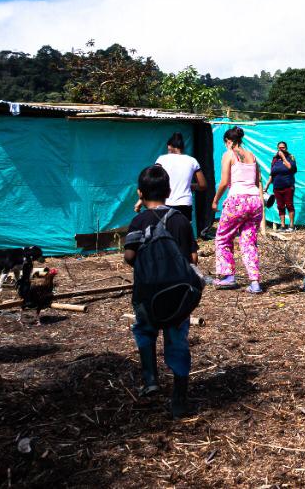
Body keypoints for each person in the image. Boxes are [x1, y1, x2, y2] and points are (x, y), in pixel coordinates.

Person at [124, 163, 197, 418]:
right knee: (177, 340)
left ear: (139, 193)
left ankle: (150, 379)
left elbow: (129, 256)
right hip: (177, 296)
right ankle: (178, 398)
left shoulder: (137, 220)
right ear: (168, 191)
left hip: (146, 294)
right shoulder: (180, 220)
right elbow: (193, 260)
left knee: (145, 330)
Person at [211, 127, 264, 294]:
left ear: (229, 141)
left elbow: (224, 182)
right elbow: (256, 183)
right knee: (249, 241)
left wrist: (215, 200)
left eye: (226, 143)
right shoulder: (253, 156)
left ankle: (228, 276)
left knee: (223, 237)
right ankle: (255, 282)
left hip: (237, 200)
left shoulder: (228, 154)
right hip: (255, 201)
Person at [144, 132, 206, 233]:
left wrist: (141, 199)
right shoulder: (192, 161)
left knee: (165, 234)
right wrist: (189, 186)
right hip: (185, 205)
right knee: (183, 235)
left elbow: (153, 178)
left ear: (169, 147)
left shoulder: (162, 159)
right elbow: (203, 185)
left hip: (165, 203)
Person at [265, 141, 297, 231]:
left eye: (283, 147)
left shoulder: (291, 158)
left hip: (288, 186)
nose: (281, 149)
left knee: (289, 205)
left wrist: (283, 157)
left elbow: (290, 168)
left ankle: (291, 225)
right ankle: (282, 226)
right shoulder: (275, 159)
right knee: (280, 206)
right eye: (279, 147)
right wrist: (267, 186)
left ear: (286, 148)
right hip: (277, 187)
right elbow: (272, 174)